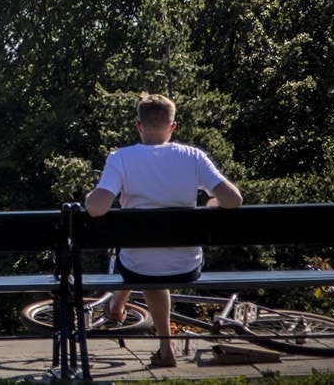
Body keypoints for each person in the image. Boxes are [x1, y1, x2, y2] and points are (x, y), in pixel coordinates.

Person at [84, 92, 243, 368]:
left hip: (138, 265)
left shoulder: (120, 159)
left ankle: (158, 341)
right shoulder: (194, 157)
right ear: (172, 127)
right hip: (187, 264)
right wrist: (211, 204)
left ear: (138, 125)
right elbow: (233, 200)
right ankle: (123, 311)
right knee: (147, 262)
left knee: (140, 262)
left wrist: (90, 197)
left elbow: (96, 208)